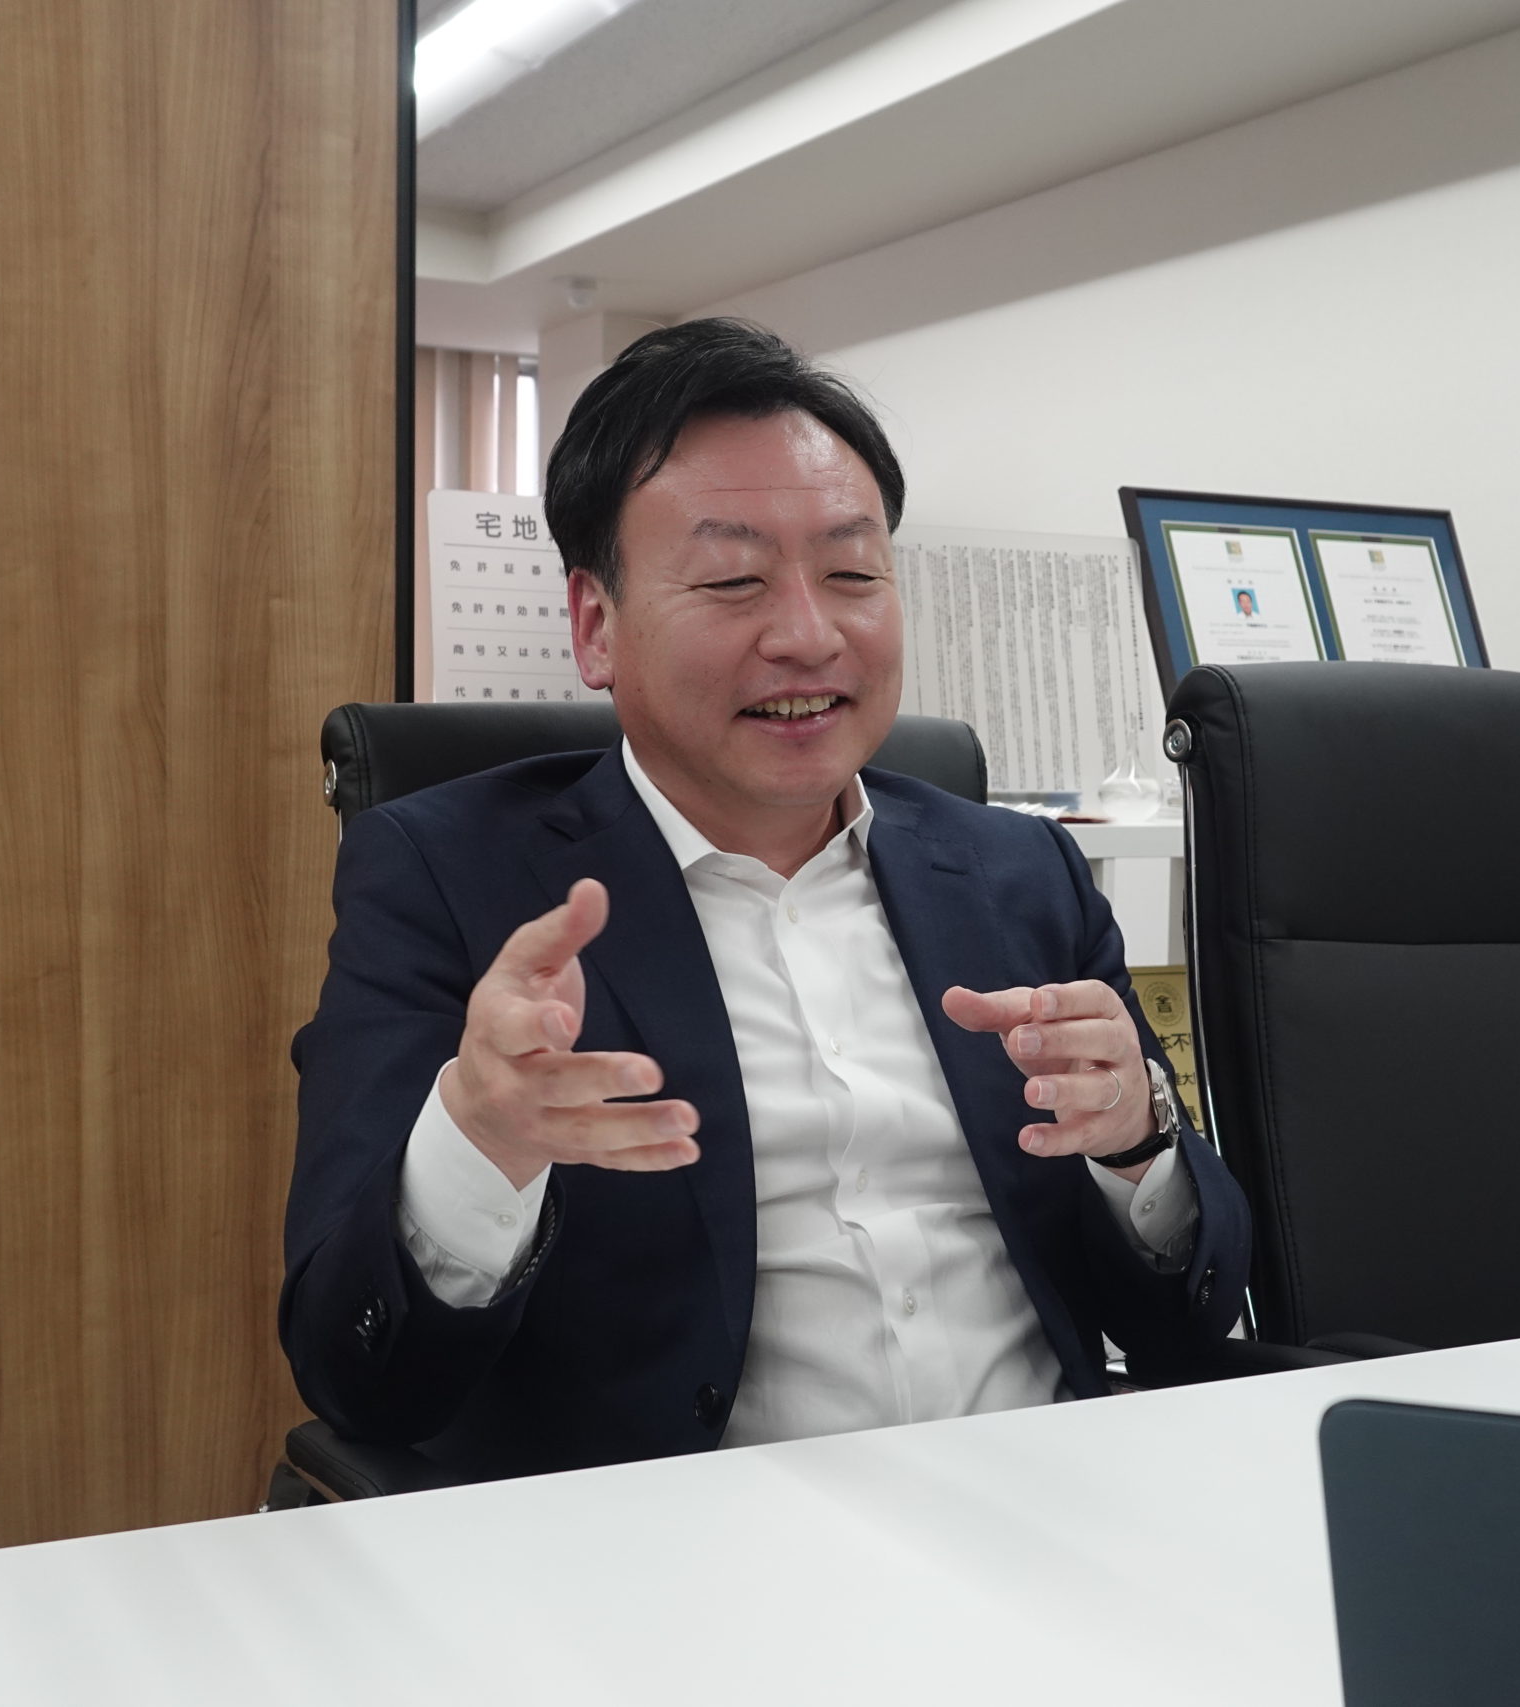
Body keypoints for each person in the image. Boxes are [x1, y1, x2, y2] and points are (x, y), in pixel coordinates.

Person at [281, 319, 1249, 1478]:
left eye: (852, 575)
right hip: (688, 1547)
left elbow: (1189, 1319)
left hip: (1053, 1499)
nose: (807, 634)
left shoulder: (1019, 872)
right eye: (734, 581)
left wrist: (1137, 1149)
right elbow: (357, 1373)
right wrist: (477, 1147)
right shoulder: (449, 878)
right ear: (595, 626)